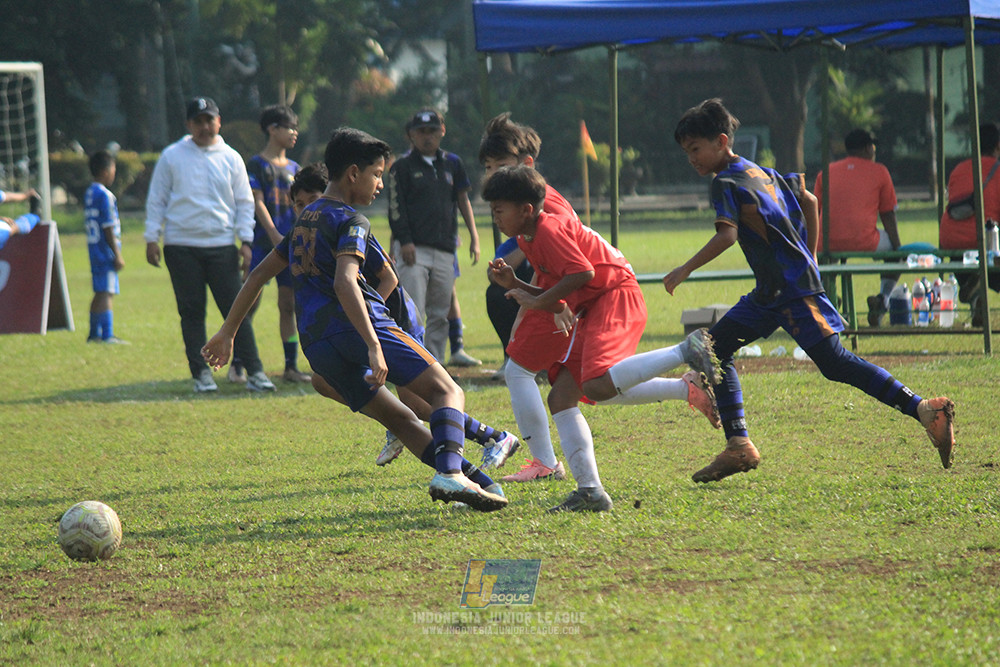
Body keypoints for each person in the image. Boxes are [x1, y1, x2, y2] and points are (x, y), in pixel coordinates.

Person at [202, 127, 507, 512]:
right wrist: (374, 345)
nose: (379, 183)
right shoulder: (351, 220)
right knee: (448, 391)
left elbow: (259, 274)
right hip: (360, 328)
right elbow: (346, 281)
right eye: (376, 174)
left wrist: (228, 331)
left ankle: (479, 483)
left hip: (318, 346)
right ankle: (450, 471)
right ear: (352, 173)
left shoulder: (303, 220)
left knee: (402, 422)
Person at [665, 98, 956, 483]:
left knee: (835, 363)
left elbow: (727, 235)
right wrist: (811, 257)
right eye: (687, 153)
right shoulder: (763, 172)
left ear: (721, 141)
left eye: (695, 150)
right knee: (714, 349)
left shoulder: (725, 183)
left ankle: (924, 410)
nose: (692, 160)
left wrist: (685, 268)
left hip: (790, 292)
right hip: (772, 293)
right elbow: (810, 200)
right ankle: (739, 445)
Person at [484, 165, 723, 513]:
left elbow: (584, 272)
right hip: (596, 302)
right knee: (563, 397)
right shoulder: (527, 237)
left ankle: (687, 349)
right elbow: (556, 285)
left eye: (498, 209)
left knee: (595, 385)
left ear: (526, 210)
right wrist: (516, 286)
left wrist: (537, 302)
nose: (495, 217)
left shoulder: (547, 228)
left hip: (616, 295)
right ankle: (590, 491)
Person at [287, 163, 519, 470]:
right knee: (324, 380)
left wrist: (360, 321)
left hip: (395, 318)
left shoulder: (349, 227)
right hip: (355, 328)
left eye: (312, 200)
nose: (308, 210)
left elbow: (389, 279)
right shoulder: (310, 236)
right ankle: (398, 422)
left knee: (421, 399)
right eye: (300, 205)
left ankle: (491, 438)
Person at [144, 96, 275, 393]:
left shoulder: (230, 157)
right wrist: (152, 237)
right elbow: (157, 199)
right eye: (198, 121)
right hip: (181, 244)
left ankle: (255, 371)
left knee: (235, 311)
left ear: (218, 121)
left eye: (209, 120)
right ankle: (201, 374)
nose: (205, 126)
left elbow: (244, 201)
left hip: (221, 244)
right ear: (189, 124)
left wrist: (246, 241)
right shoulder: (172, 156)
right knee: (191, 312)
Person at [387, 109, 481, 365]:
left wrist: (473, 235)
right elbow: (396, 208)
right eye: (421, 132)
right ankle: (410, 362)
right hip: (414, 247)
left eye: (432, 131)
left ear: (442, 131)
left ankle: (434, 363)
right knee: (412, 309)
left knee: (439, 312)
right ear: (411, 135)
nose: (427, 137)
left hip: (445, 247)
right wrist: (404, 240)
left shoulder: (453, 163)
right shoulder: (401, 167)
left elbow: (462, 199)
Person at [235, 104, 311, 384]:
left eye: (296, 128)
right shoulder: (256, 165)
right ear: (272, 129)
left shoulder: (295, 169)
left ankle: (291, 365)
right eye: (290, 127)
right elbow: (257, 202)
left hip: (291, 247)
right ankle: (238, 361)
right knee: (249, 303)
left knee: (288, 305)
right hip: (263, 245)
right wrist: (274, 234)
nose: (295, 133)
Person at [813, 128, 902, 326]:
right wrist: (898, 248)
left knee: (827, 266)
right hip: (866, 240)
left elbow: (814, 210)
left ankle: (831, 299)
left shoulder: (825, 172)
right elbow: (888, 214)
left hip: (827, 241)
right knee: (896, 256)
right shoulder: (880, 171)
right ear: (868, 148)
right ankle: (883, 299)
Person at [939, 121, 1000, 326]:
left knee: (975, 270)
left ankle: (976, 301)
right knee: (991, 261)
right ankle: (977, 290)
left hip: (953, 244)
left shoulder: (959, 169)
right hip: (985, 244)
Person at [83, 150, 126, 344]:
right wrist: (117, 254)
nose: (114, 173)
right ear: (105, 170)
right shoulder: (105, 195)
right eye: (113, 168)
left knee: (100, 291)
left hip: (94, 249)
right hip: (105, 250)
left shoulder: (90, 192)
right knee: (107, 292)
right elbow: (108, 226)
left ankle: (94, 334)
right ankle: (107, 335)